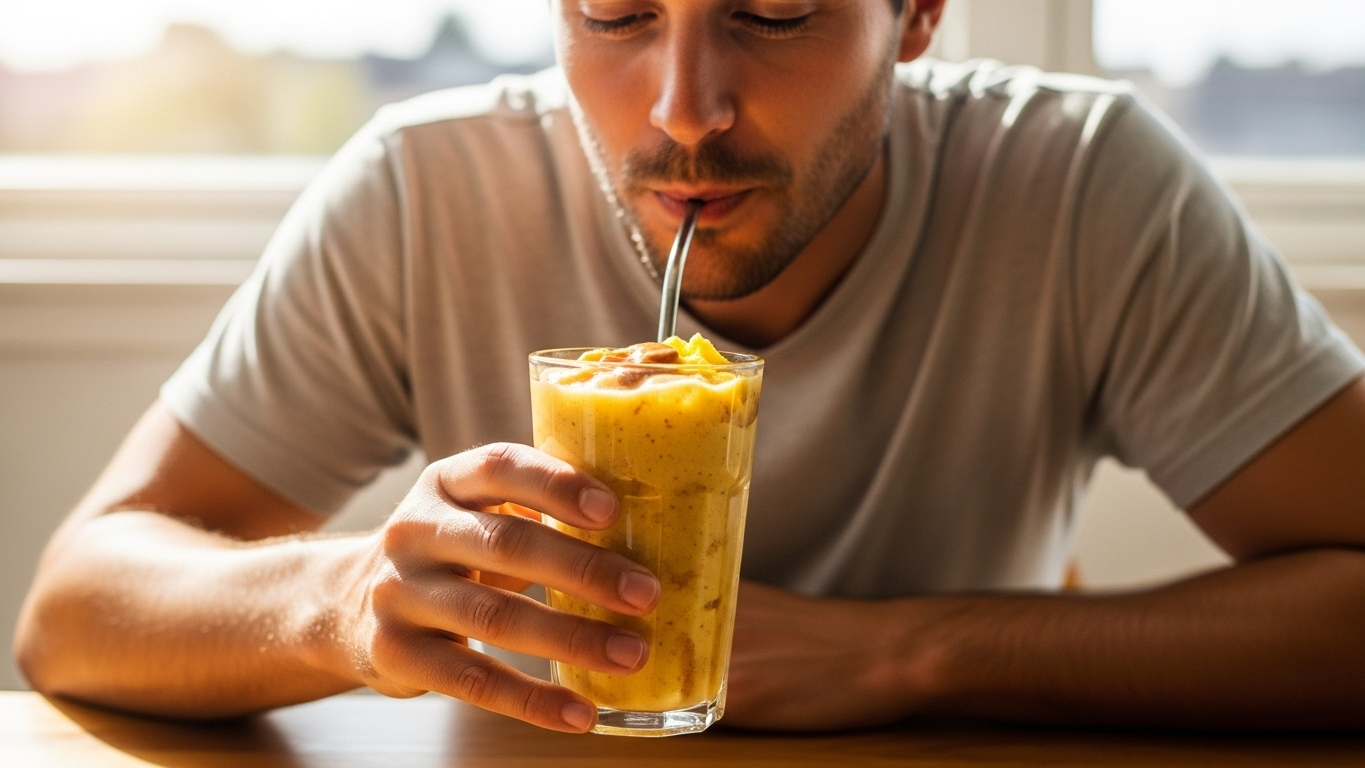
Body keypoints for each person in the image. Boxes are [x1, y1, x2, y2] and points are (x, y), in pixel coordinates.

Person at [16, 0, 1365, 735]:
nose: (682, 111)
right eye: (615, 13)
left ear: (915, 16)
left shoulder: (1081, 190)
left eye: (770, 10)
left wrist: (908, 655)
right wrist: (343, 597)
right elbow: (76, 605)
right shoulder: (428, 192)